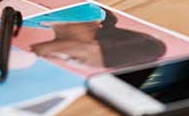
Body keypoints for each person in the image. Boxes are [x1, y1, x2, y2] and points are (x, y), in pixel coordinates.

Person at [23, 5, 166, 69]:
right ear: (99, 44)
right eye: (75, 58)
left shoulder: (33, 23)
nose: (53, 58)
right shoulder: (82, 9)